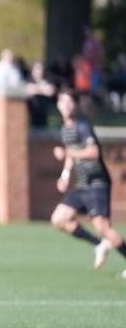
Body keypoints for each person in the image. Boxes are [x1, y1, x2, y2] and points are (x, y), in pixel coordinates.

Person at [50, 88, 126, 276]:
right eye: (63, 102)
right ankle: (99, 244)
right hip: (82, 184)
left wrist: (68, 153)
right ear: (58, 105)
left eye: (70, 102)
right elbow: (72, 152)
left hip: (97, 182)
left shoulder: (82, 125)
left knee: (103, 227)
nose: (66, 106)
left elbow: (93, 153)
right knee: (59, 219)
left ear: (75, 104)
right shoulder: (65, 128)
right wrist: (66, 175)